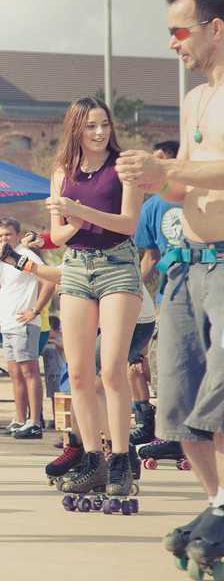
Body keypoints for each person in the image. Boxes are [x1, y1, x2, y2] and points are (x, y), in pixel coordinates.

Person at [116, 0, 224, 562]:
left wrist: (173, 170)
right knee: (179, 403)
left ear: (216, 28)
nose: (173, 44)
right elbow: (184, 186)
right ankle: (220, 506)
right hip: (188, 266)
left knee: (222, 392)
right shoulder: (192, 102)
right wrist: (153, 179)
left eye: (180, 31)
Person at [44, 96, 142, 502]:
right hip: (76, 268)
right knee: (80, 373)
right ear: (76, 130)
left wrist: (80, 211)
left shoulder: (125, 168)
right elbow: (56, 235)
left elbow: (127, 223)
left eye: (104, 125)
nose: (100, 133)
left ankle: (120, 458)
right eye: (91, 126)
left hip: (118, 265)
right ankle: (92, 458)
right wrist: (72, 219)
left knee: (113, 368)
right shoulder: (61, 173)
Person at [128, 140, 182, 445]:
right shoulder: (151, 206)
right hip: (167, 295)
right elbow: (149, 257)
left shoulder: (200, 193)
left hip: (210, 286)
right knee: (158, 359)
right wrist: (130, 287)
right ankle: (163, 428)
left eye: (160, 161)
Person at [0, 216, 54, 440]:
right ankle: (20, 419)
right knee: (15, 374)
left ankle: (35, 421)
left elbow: (49, 282)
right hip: (8, 324)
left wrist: (35, 309)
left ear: (17, 235)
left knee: (29, 372)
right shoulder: (7, 260)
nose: (4, 239)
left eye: (7, 235)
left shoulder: (27, 255)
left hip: (25, 324)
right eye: (0, 236)